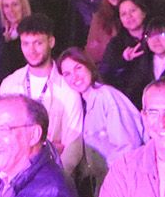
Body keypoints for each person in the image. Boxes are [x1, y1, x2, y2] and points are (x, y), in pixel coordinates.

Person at [0, 16, 85, 174]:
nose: (31, 51)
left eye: (38, 43)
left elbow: (74, 145)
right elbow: (2, 135)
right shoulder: (9, 85)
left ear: (51, 42)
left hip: (53, 177)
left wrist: (55, 177)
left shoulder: (67, 87)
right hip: (14, 175)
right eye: (25, 44)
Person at [54, 47, 144, 183]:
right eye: (67, 74)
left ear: (89, 66)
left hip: (123, 183)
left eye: (78, 68)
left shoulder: (106, 97)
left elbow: (127, 148)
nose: (74, 76)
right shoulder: (84, 102)